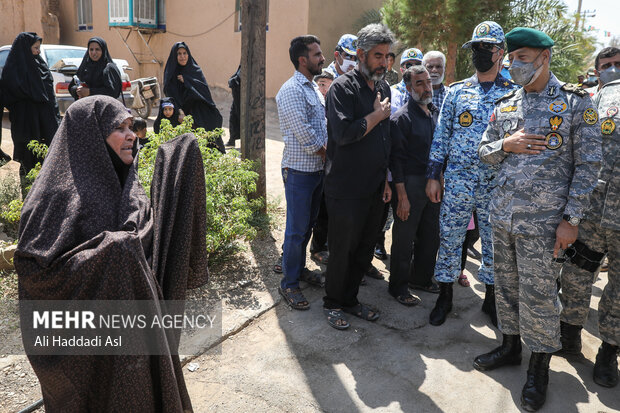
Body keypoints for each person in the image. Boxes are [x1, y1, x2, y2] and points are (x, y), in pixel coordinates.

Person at [15, 95, 209, 412]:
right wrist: (110, 255)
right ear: (89, 138)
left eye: (131, 126)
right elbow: (36, 275)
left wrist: (179, 166)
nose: (131, 135)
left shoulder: (125, 182)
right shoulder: (52, 198)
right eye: (118, 128)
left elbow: (147, 241)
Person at [474, 27, 601, 412]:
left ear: (544, 58)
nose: (514, 66)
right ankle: (510, 346)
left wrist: (571, 220)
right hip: (503, 218)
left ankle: (539, 367)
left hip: (545, 226)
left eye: (522, 59)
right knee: (507, 289)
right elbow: (484, 150)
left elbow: (589, 165)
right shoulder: (508, 103)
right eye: (510, 59)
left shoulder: (576, 104)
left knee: (541, 297)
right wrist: (505, 144)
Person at [426, 21, 517, 328]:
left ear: (500, 53)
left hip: (496, 185)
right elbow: (442, 135)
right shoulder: (457, 92)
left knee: (493, 243)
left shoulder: (515, 95)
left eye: (487, 48)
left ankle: (491, 299)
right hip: (458, 181)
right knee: (450, 238)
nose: (480, 54)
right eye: (476, 48)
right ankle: (445, 296)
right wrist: (433, 174)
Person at [323, 23, 393, 330]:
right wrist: (377, 116)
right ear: (362, 54)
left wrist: (388, 180)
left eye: (388, 56)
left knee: (365, 248)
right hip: (346, 187)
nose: (384, 62)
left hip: (376, 187)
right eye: (378, 55)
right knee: (343, 248)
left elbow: (386, 139)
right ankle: (332, 303)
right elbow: (343, 134)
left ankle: (349, 300)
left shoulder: (383, 88)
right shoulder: (342, 89)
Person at [557, 50, 620, 388]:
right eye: (606, 65)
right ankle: (569, 335)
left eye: (618, 64)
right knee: (577, 276)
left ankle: (609, 352)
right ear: (596, 71)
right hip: (591, 213)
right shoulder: (591, 101)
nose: (612, 70)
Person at [276, 35, 328, 310]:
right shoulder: (291, 90)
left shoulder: (312, 88)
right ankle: (289, 283)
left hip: (316, 171)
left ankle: (298, 270)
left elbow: (322, 125)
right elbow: (307, 137)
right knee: (296, 231)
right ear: (302, 59)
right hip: (299, 172)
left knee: (307, 226)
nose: (322, 58)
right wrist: (331, 153)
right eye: (317, 54)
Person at [389, 65, 440, 303]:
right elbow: (396, 162)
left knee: (430, 236)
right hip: (409, 184)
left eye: (428, 82)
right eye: (419, 83)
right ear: (409, 88)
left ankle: (420, 278)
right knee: (404, 238)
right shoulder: (402, 119)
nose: (426, 87)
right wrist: (402, 197)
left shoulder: (433, 113)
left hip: (432, 184)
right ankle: (398, 287)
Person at [0, 32, 60, 176]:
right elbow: (8, 98)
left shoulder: (41, 66)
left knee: (48, 164)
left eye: (39, 48)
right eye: (35, 48)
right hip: (25, 125)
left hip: (45, 125)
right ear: (25, 48)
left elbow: (50, 99)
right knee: (27, 165)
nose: (38, 51)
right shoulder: (13, 71)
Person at [164, 41, 225, 153]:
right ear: (174, 56)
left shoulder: (195, 70)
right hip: (181, 114)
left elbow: (204, 92)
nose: (182, 57)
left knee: (211, 130)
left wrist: (187, 81)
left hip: (198, 111)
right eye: (179, 54)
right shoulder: (171, 73)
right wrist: (179, 111)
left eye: (185, 53)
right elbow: (170, 95)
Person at [390, 48, 424, 113]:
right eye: (409, 65)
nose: (414, 69)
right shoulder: (393, 92)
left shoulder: (428, 90)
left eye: (418, 65)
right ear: (402, 70)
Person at [227, 64, 241, 146]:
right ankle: (232, 139)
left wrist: (233, 80)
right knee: (233, 116)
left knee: (241, 117)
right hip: (237, 94)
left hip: (243, 96)